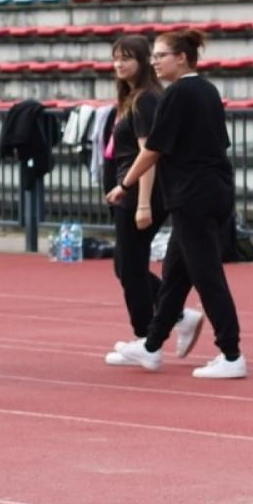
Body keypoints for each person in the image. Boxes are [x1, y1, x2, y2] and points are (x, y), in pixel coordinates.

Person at [106, 29, 242, 378]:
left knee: (207, 275)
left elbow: (152, 149)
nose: (156, 62)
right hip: (211, 191)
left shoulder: (178, 94)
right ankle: (151, 346)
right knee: (175, 277)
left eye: (161, 56)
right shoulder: (207, 90)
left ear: (181, 57)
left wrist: (125, 184)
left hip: (193, 195)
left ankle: (231, 353)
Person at [99, 35, 201, 363]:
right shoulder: (134, 97)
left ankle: (146, 339)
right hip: (131, 194)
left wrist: (142, 202)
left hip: (141, 194)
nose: (119, 64)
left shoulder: (145, 100)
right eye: (115, 58)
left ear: (142, 61)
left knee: (130, 268)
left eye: (126, 58)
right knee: (126, 265)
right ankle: (177, 317)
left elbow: (149, 153)